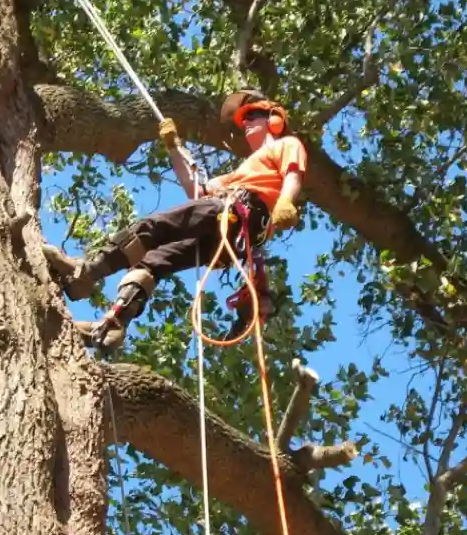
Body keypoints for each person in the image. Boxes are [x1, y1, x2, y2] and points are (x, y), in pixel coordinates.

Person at [42, 88, 308, 348]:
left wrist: (286, 201)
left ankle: (86, 272)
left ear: (274, 118)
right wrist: (173, 148)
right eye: (243, 119)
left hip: (240, 215)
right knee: (151, 262)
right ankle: (112, 326)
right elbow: (197, 192)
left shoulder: (288, 144)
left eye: (252, 115)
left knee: (154, 227)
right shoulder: (241, 171)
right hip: (226, 227)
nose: (245, 122)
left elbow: (293, 173)